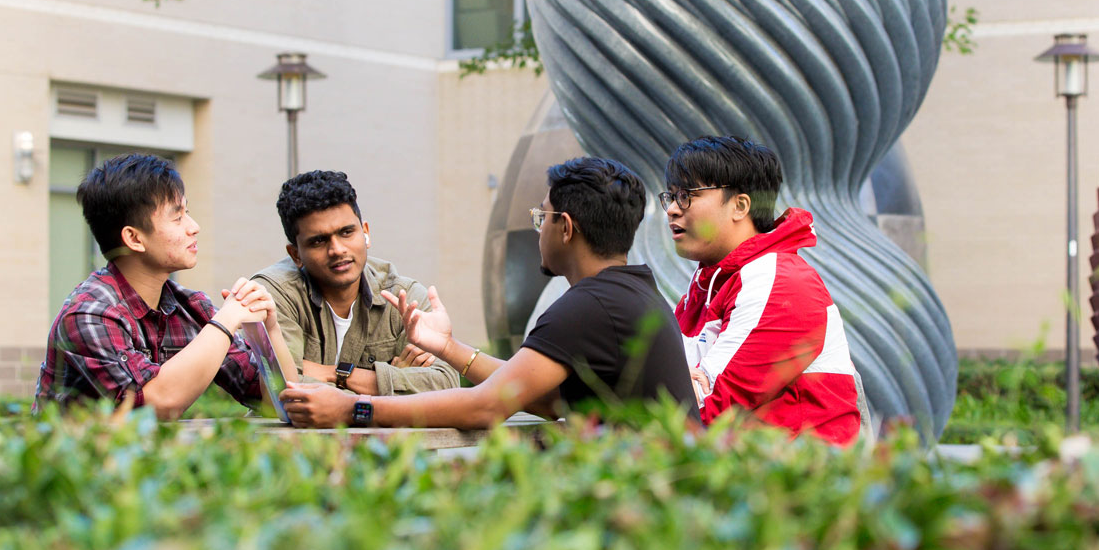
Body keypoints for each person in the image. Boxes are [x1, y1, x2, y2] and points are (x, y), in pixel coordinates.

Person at [279, 157, 698, 428]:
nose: (539, 231)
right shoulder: (628, 292)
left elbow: (486, 407)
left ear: (566, 228)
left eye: (542, 218)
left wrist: (351, 409)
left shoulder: (587, 306)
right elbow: (549, 401)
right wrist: (447, 347)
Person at [34, 154, 296, 420]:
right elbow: (156, 404)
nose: (194, 228)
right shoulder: (89, 314)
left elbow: (280, 401)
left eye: (188, 213)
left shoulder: (192, 308)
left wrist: (269, 330)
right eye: (178, 217)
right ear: (134, 238)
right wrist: (227, 319)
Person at [663, 136, 860, 445]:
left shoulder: (779, 282)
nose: (673, 209)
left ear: (740, 205)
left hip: (795, 484)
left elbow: (705, 409)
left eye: (687, 195)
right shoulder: (706, 285)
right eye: (671, 196)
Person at [251, 171, 459, 396]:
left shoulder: (403, 296)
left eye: (347, 232)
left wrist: (336, 375)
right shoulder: (275, 293)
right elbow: (281, 391)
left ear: (366, 233)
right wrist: (389, 383)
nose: (337, 250)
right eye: (318, 241)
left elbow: (446, 383)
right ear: (296, 254)